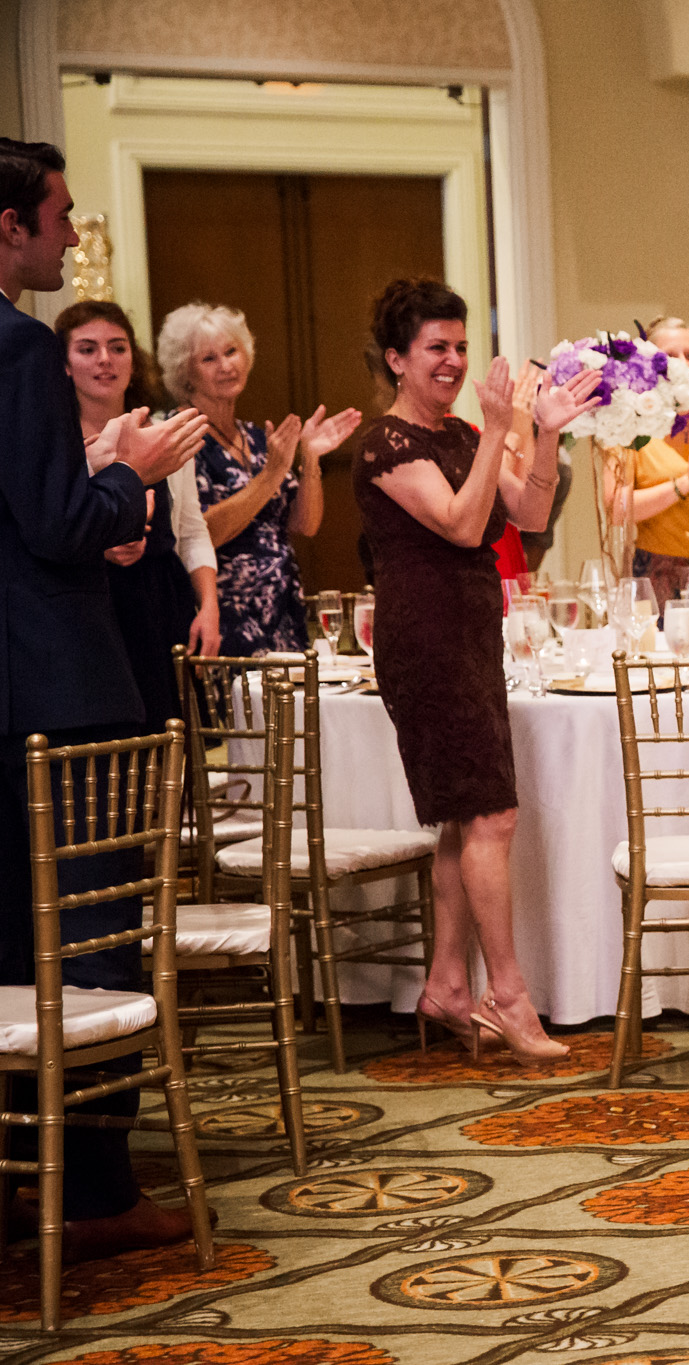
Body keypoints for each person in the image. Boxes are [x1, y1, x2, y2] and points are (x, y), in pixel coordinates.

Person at [0, 137, 209, 1261]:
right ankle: (91, 1192)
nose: (73, 236)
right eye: (60, 215)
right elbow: (55, 525)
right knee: (92, 931)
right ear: (8, 226)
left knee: (5, 937)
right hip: (60, 686)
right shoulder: (19, 348)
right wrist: (126, 471)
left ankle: (17, 1174)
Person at [354, 278, 600, 1065]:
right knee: (492, 815)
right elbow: (464, 525)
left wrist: (545, 432)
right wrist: (501, 427)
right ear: (397, 359)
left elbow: (526, 515)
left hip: (471, 633)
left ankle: (447, 986)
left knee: (468, 816)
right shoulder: (385, 444)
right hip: (423, 639)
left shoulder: (463, 433)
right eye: (437, 348)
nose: (455, 361)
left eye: (461, 346)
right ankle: (510, 994)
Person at [157, 302, 359, 655]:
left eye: (231, 351)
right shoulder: (180, 437)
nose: (226, 366)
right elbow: (199, 532)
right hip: (225, 618)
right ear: (185, 373)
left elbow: (305, 524)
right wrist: (269, 477)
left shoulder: (256, 438)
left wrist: (309, 458)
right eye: (209, 359)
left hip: (283, 613)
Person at [58, 301, 219, 726]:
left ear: (134, 359)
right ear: (65, 364)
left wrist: (209, 606)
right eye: (87, 349)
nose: (105, 360)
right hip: (92, 608)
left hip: (161, 603)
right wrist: (102, 548)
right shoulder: (58, 445)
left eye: (118, 347)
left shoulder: (164, 432)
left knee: (172, 747)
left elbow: (191, 529)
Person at [600, 315, 689, 600]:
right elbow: (617, 510)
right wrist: (684, 484)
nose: (683, 364)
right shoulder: (629, 425)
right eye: (669, 356)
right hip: (657, 569)